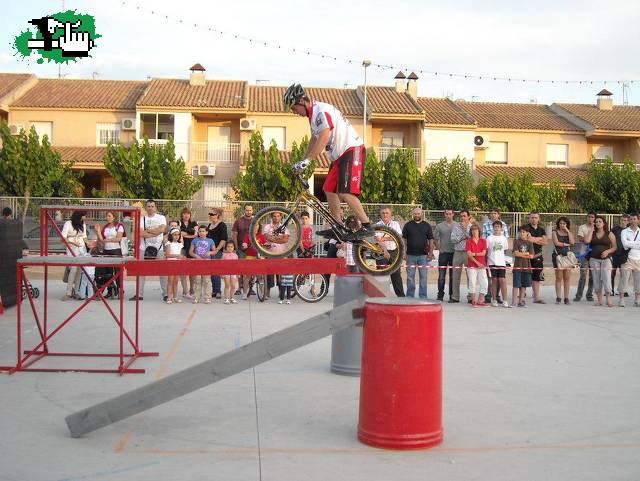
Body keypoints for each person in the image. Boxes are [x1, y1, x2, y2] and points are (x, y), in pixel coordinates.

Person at [284, 83, 374, 240]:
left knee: (345, 192)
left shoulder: (320, 111)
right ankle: (339, 226)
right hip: (339, 156)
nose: (294, 112)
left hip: (352, 150)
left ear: (301, 102)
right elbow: (315, 138)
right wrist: (304, 160)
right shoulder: (313, 116)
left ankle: (367, 225)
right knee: (328, 189)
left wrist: (309, 160)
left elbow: (325, 134)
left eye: (293, 108)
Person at [132, 200, 167, 301]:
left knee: (163, 272)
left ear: (155, 207)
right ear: (146, 208)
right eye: (148, 206)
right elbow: (140, 233)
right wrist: (156, 231)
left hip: (159, 248)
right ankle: (139, 295)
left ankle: (165, 294)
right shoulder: (141, 219)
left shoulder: (161, 218)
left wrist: (148, 231)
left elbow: (162, 230)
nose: (150, 208)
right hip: (143, 248)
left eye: (152, 206)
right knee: (141, 272)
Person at [584, 215, 617, 307]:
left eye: (600, 221)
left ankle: (609, 300)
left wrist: (607, 251)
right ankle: (599, 300)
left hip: (606, 259)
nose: (598, 223)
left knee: (606, 278)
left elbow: (615, 247)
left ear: (604, 223)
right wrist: (591, 229)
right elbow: (586, 241)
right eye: (596, 222)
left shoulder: (609, 233)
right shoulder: (592, 233)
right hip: (594, 259)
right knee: (596, 279)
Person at [402, 207, 434, 299]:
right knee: (410, 277)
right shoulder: (408, 225)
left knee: (423, 277)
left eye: (418, 213)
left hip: (423, 256)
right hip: (410, 255)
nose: (417, 215)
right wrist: (404, 252)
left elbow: (431, 240)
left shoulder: (427, 225)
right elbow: (403, 239)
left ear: (421, 214)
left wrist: (431, 253)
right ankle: (410, 296)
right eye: (415, 214)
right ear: (413, 214)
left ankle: (423, 296)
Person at [94, 211, 126, 298]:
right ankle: (110, 291)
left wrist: (108, 240)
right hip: (106, 251)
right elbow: (101, 239)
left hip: (116, 250)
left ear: (114, 217)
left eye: (109, 216)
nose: (107, 217)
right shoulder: (105, 227)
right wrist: (98, 231)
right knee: (107, 272)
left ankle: (120, 290)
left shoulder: (119, 226)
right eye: (107, 216)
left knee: (117, 272)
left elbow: (119, 238)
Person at [376, 207, 404, 297]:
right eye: (383, 213)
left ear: (390, 214)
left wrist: (384, 238)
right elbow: (377, 240)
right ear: (380, 214)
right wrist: (385, 251)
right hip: (381, 252)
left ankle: (401, 296)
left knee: (396, 275)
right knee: (382, 275)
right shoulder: (377, 225)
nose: (385, 215)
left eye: (387, 213)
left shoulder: (395, 224)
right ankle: (382, 296)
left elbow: (398, 237)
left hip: (394, 252)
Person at [482, 208, 508, 303]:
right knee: (491, 279)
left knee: (501, 280)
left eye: (495, 213)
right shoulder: (485, 225)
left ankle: (497, 296)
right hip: (490, 257)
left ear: (498, 214)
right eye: (492, 213)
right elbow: (484, 240)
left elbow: (505, 246)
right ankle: (490, 296)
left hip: (500, 259)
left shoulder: (504, 225)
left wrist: (502, 257)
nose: (493, 215)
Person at [61, 211, 89, 301]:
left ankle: (76, 292)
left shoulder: (83, 224)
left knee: (79, 271)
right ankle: (68, 292)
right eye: (84, 216)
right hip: (72, 248)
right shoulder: (68, 224)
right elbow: (63, 238)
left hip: (81, 248)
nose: (85, 218)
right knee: (73, 269)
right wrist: (72, 242)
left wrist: (89, 244)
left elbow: (84, 237)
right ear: (79, 216)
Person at [523, 212, 548, 304]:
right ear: (529, 218)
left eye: (535, 217)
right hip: (526, 256)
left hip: (538, 256)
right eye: (532, 217)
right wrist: (539, 239)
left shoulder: (542, 230)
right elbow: (527, 239)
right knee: (524, 275)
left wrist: (533, 239)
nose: (534, 219)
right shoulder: (525, 228)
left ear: (539, 219)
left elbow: (546, 242)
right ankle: (522, 295)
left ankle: (536, 297)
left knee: (537, 277)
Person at [618, 212, 640, 308]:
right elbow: (625, 244)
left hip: (638, 259)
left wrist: (630, 242)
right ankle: (621, 299)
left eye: (634, 219)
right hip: (627, 259)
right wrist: (636, 244)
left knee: (638, 281)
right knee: (624, 280)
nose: (632, 221)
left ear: (638, 220)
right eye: (631, 219)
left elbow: (628, 244)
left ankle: (637, 299)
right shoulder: (624, 231)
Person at [552, 217, 575, 305]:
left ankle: (566, 297)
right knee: (558, 277)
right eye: (561, 223)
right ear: (558, 224)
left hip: (567, 256)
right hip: (558, 256)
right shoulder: (555, 232)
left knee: (567, 278)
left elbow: (572, 242)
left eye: (564, 224)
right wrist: (566, 244)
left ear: (567, 224)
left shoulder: (569, 233)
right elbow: (556, 243)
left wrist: (568, 231)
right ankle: (558, 297)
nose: (562, 225)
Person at [434, 209, 456, 301]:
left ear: (453, 214)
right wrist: (439, 248)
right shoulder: (439, 226)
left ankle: (452, 295)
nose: (448, 215)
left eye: (450, 214)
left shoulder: (457, 225)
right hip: (443, 254)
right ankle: (440, 295)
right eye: (446, 214)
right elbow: (435, 239)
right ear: (444, 214)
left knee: (452, 276)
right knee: (441, 276)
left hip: (454, 254)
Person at [189, 225, 215, 304]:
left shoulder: (210, 240)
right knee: (197, 280)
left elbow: (215, 251)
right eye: (200, 231)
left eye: (203, 231)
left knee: (207, 280)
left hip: (206, 263)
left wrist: (210, 252)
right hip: (197, 263)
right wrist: (196, 256)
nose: (201, 233)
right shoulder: (194, 240)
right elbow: (190, 252)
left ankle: (207, 297)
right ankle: (196, 297)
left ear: (207, 232)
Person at [233, 204, 254, 298]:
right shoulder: (238, 221)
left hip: (252, 250)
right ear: (244, 210)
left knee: (250, 270)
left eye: (250, 210)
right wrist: (236, 248)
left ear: (252, 211)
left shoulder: (256, 221)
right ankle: (239, 288)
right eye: (247, 210)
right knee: (241, 269)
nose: (248, 212)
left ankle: (251, 288)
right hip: (241, 250)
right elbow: (234, 235)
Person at [450, 210, 471, 303]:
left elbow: (472, 238)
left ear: (469, 217)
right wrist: (463, 237)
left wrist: (465, 230)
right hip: (458, 252)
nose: (463, 218)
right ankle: (455, 297)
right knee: (455, 275)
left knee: (470, 275)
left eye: (464, 216)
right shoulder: (456, 227)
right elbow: (453, 239)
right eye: (461, 216)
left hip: (468, 253)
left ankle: (471, 297)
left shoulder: (472, 227)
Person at [207, 208, 228, 299]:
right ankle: (214, 291)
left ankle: (218, 290)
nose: (211, 215)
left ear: (217, 215)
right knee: (210, 271)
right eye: (210, 214)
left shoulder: (222, 225)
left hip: (217, 250)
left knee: (215, 271)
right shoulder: (209, 225)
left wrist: (217, 249)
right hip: (209, 250)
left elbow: (223, 239)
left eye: (213, 214)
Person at [487, 220, 509, 308]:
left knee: (502, 281)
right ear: (493, 228)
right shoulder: (489, 238)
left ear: (501, 228)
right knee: (494, 281)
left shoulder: (504, 238)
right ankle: (494, 299)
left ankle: (505, 300)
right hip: (491, 262)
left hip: (501, 263)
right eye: (495, 227)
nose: (496, 228)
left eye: (498, 227)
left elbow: (505, 250)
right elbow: (487, 250)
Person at [574, 212, 596, 302]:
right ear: (587, 217)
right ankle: (578, 295)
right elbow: (580, 238)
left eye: (592, 217)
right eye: (589, 217)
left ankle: (589, 295)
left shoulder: (597, 227)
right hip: (584, 253)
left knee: (593, 276)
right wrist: (589, 237)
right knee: (583, 275)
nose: (591, 218)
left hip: (594, 253)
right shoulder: (582, 227)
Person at [466, 224, 488, 307]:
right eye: (472, 230)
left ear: (479, 231)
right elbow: (469, 255)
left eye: (476, 230)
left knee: (484, 283)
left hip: (482, 265)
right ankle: (474, 300)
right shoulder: (469, 241)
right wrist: (477, 262)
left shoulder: (483, 241)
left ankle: (480, 300)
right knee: (472, 282)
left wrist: (474, 253)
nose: (474, 232)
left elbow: (483, 253)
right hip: (472, 265)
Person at [512, 227, 534, 308]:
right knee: (516, 285)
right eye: (520, 232)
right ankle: (514, 302)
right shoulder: (516, 242)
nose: (522, 233)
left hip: (526, 267)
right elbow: (515, 253)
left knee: (523, 285)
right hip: (517, 266)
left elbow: (531, 256)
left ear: (527, 233)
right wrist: (526, 254)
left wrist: (523, 254)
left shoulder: (529, 243)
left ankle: (521, 301)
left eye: (524, 232)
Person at [179, 208, 198, 300]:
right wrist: (190, 233)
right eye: (184, 214)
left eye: (188, 214)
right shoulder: (179, 223)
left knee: (192, 270)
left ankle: (192, 290)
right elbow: (179, 234)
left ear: (190, 215)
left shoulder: (194, 224)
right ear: (182, 215)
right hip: (182, 248)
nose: (186, 215)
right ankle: (185, 291)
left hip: (192, 248)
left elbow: (195, 234)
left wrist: (185, 234)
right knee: (183, 270)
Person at [164, 227, 184, 304]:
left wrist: (181, 257)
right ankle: (169, 297)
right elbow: (168, 254)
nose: (176, 236)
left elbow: (180, 254)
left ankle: (175, 297)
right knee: (170, 281)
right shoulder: (169, 244)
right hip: (171, 264)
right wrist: (177, 256)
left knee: (176, 281)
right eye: (174, 235)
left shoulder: (180, 244)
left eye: (178, 235)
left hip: (178, 264)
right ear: (171, 235)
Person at [611, 214, 630, 295]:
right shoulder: (614, 230)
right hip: (614, 255)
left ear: (628, 221)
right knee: (612, 273)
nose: (623, 222)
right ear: (620, 220)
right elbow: (610, 241)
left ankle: (624, 291)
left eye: (625, 220)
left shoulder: (630, 230)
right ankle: (610, 290)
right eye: (622, 220)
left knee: (624, 275)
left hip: (625, 255)